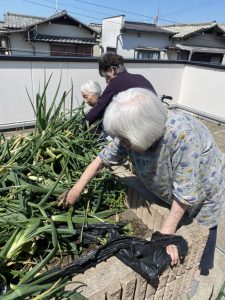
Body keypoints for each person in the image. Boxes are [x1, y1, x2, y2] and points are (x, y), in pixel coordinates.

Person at [60, 88, 225, 277]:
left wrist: (164, 237)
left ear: (143, 132)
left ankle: (200, 269)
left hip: (204, 187)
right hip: (175, 186)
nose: (121, 143)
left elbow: (185, 192)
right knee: (176, 212)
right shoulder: (128, 135)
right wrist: (76, 189)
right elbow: (102, 160)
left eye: (125, 139)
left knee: (204, 230)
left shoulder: (181, 135)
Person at [85, 52, 156, 125]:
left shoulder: (116, 82)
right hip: (156, 124)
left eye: (107, 77)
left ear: (111, 71)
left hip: (140, 128)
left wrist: (81, 124)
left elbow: (99, 108)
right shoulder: (140, 78)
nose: (107, 81)